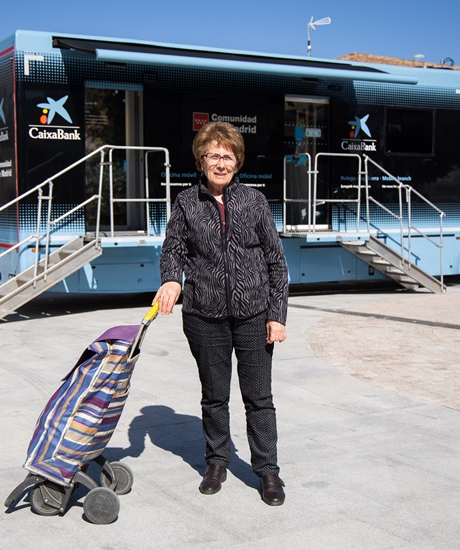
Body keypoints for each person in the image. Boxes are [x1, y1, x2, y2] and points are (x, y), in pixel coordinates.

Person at [153, 121, 289, 506]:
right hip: (204, 315)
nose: (220, 162)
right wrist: (172, 280)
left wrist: (276, 315)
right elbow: (173, 249)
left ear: (237, 161)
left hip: (253, 315)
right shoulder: (185, 202)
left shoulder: (255, 201)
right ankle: (216, 462)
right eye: (213, 155)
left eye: (227, 155)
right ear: (201, 160)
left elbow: (276, 262)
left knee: (259, 398)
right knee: (214, 397)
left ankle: (268, 471)